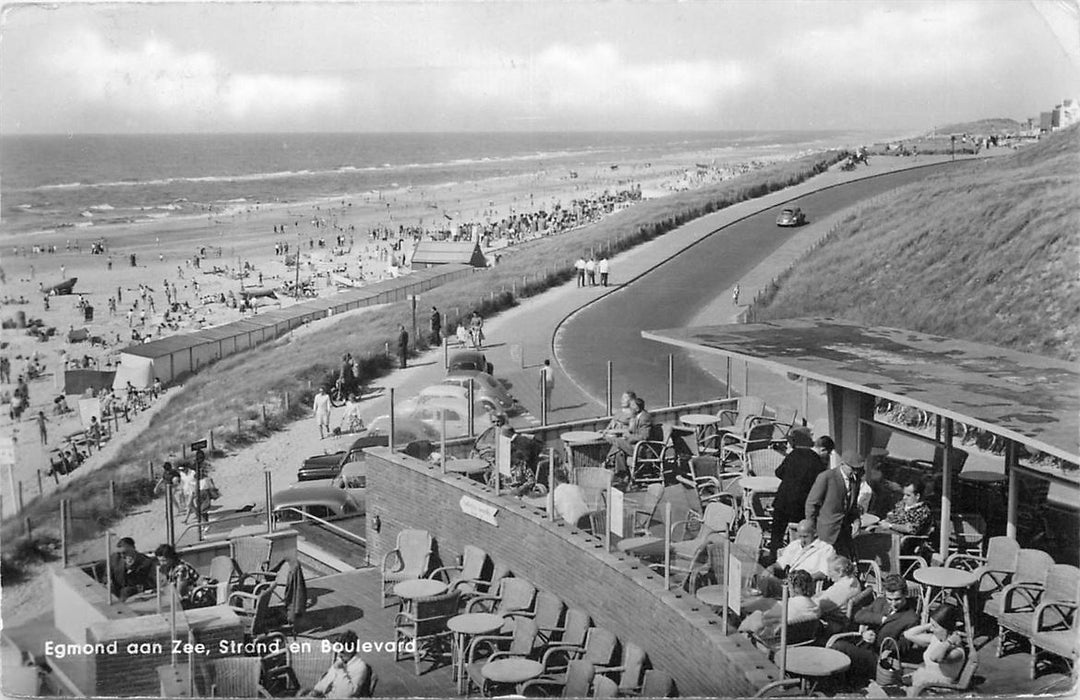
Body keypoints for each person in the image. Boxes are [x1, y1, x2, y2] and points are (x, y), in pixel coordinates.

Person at [831, 573, 920, 684]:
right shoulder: (881, 602)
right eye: (890, 599)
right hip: (863, 646)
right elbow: (858, 615)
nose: (893, 604)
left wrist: (880, 641)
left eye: (897, 599)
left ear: (905, 594)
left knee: (840, 647)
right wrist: (878, 621)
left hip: (880, 658)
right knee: (835, 643)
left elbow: (904, 645)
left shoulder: (911, 618)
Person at [770, 428, 825, 558]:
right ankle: (795, 560)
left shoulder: (793, 455)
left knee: (776, 534)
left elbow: (779, 472)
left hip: (783, 502)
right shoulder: (816, 461)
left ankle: (773, 558)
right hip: (800, 506)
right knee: (797, 537)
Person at [755, 519, 835, 598]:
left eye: (805, 537)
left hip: (805, 587)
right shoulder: (794, 545)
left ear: (815, 533)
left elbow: (823, 573)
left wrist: (800, 580)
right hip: (789, 584)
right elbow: (781, 563)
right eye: (800, 536)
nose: (802, 540)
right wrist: (771, 567)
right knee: (759, 578)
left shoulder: (825, 549)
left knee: (766, 587)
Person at [805, 449, 864, 556]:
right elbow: (811, 504)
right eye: (852, 468)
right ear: (842, 464)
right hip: (825, 532)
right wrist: (811, 528)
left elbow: (853, 506)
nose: (855, 472)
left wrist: (856, 521)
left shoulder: (856, 481)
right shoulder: (826, 477)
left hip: (844, 533)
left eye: (858, 469)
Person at [738, 569, 820, 640]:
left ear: (792, 587)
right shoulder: (815, 607)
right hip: (801, 640)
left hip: (777, 641)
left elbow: (764, 619)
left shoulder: (785, 607)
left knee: (757, 616)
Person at [904, 604, 966, 695]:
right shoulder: (936, 639)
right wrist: (933, 623)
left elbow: (934, 657)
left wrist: (949, 642)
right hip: (924, 683)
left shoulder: (957, 652)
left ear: (946, 627)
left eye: (935, 627)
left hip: (937, 689)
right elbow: (908, 634)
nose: (931, 629)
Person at [305, 629, 374, 697]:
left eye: (342, 651)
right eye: (338, 650)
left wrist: (340, 670)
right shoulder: (341, 661)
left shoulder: (360, 667)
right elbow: (326, 681)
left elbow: (347, 694)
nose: (339, 654)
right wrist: (316, 690)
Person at [605, 397, 654, 479]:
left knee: (614, 440)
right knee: (618, 452)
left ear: (637, 409)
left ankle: (607, 460)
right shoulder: (637, 416)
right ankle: (623, 476)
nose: (630, 408)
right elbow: (631, 431)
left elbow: (645, 436)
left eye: (632, 406)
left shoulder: (645, 418)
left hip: (642, 449)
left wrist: (629, 437)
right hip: (634, 446)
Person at [814, 555, 862, 634]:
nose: (828, 574)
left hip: (834, 624)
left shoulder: (840, 590)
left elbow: (814, 607)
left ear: (840, 572)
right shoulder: (852, 580)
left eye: (830, 571)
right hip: (839, 614)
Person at [109, 537, 156, 601]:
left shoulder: (145, 561)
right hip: (117, 586)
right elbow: (108, 572)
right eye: (119, 553)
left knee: (125, 591)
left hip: (133, 590)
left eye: (125, 552)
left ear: (133, 548)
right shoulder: (115, 558)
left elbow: (150, 581)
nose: (122, 556)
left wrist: (131, 567)